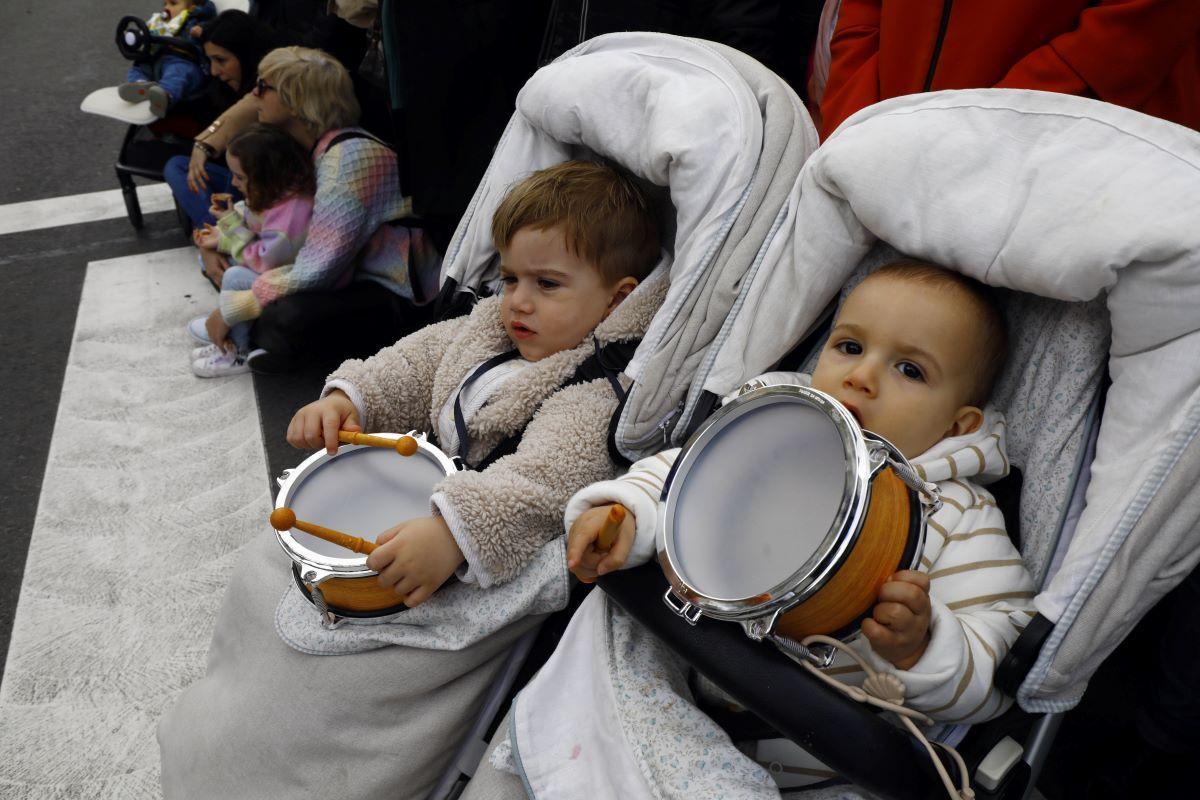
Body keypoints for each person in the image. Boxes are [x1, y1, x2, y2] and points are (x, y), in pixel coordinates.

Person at [157, 159, 669, 799]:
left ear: (618, 298)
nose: (518, 301)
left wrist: (455, 534)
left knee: (340, 677)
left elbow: (544, 482)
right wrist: (352, 397)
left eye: (547, 283)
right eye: (509, 277)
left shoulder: (593, 390)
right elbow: (417, 361)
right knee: (261, 573)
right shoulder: (491, 329)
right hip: (427, 505)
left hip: (488, 550)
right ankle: (222, 733)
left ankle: (304, 770)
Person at [469, 261, 1038, 798]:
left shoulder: (959, 516)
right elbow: (682, 475)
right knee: (605, 631)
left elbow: (996, 655)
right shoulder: (776, 422)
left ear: (959, 423)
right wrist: (625, 514)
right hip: (678, 658)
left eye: (909, 369)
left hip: (813, 738)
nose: (862, 377)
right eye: (849, 347)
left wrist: (926, 646)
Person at [201, 46, 440, 371]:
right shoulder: (315, 147)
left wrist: (233, 308)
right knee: (259, 288)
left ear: (297, 100)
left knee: (283, 318)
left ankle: (241, 334)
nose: (253, 94)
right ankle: (241, 333)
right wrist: (221, 235)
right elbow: (275, 206)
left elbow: (318, 267)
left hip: (396, 292)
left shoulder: (348, 162)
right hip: (353, 274)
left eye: (262, 86)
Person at [817, 0, 1200, 139]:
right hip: (883, 151)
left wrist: (981, 131)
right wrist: (855, 121)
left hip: (1069, 158)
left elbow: (1126, 35)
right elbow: (862, 17)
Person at [188, 124, 316, 377]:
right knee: (219, 265)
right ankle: (229, 327)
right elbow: (251, 222)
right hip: (279, 273)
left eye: (240, 177)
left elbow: (264, 262)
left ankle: (237, 350)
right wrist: (223, 231)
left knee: (234, 276)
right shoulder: (276, 194)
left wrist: (228, 231)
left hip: (290, 283)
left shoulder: (293, 213)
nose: (234, 183)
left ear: (265, 176)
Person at [163, 10, 277, 228]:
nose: (215, 71)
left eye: (221, 60)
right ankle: (217, 230)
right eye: (210, 61)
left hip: (264, 178)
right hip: (235, 178)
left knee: (242, 159)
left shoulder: (270, 91)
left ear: (246, 54)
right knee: (176, 166)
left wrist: (206, 145)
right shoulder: (221, 87)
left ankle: (217, 234)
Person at [118, 1, 217, 117]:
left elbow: (213, 30)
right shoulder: (160, 23)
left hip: (183, 61)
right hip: (156, 61)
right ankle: (141, 85)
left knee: (177, 73)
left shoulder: (195, 22)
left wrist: (201, 31)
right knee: (137, 68)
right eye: (165, 4)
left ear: (192, 8)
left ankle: (165, 95)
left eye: (173, 4)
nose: (166, 8)